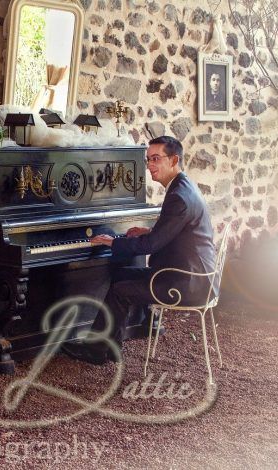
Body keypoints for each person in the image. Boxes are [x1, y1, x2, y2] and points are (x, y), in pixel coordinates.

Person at [69, 136, 216, 364]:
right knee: (120, 275)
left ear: (174, 160)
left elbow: (151, 246)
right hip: (190, 274)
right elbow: (172, 232)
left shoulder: (179, 196)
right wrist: (147, 230)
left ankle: (96, 350)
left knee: (120, 290)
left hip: (185, 282)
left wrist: (111, 242)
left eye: (156, 159)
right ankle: (111, 346)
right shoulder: (183, 186)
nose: (149, 166)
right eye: (148, 160)